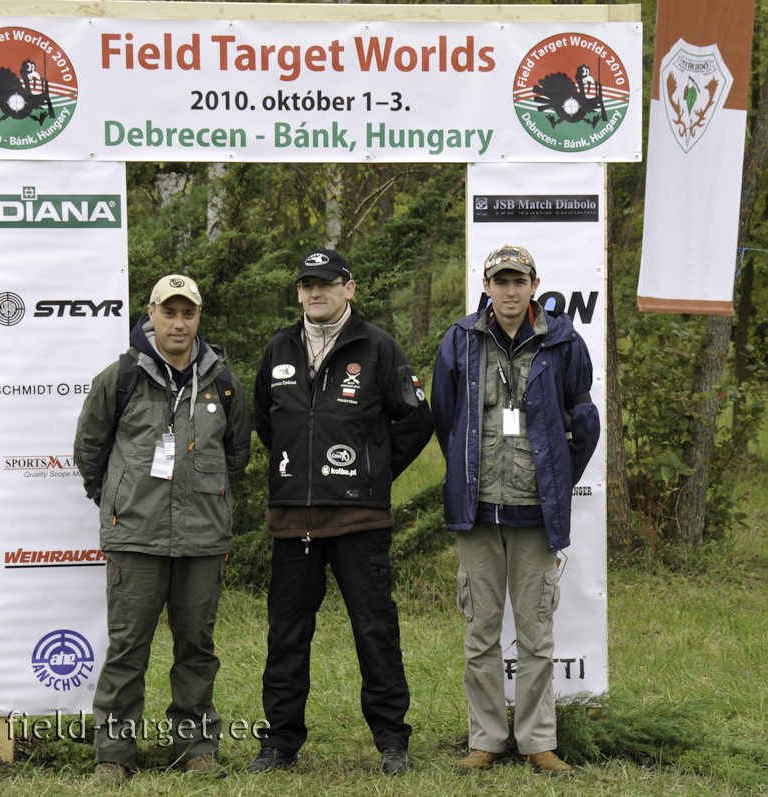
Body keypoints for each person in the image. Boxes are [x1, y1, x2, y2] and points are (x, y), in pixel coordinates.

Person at [249, 248, 434, 775]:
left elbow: (416, 420)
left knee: (375, 631)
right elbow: (269, 423)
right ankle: (280, 744)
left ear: (348, 288)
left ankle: (392, 742)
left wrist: (371, 475)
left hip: (359, 521)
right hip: (292, 522)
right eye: (307, 285)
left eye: (326, 283)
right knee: (286, 635)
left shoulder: (377, 348)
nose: (315, 293)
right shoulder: (279, 349)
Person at [74, 274, 251, 786]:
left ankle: (195, 747)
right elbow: (91, 452)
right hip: (136, 535)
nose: (178, 323)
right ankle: (113, 754)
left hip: (202, 536)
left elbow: (236, 453)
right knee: (128, 647)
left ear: (199, 318)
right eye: (168, 312)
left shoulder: (222, 380)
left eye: (188, 313)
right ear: (150, 313)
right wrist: (120, 501)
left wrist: (207, 495)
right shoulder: (121, 377)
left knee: (197, 646)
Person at [431, 245, 600, 777]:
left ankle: (537, 743)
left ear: (535, 286)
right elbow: (445, 417)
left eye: (518, 281)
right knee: (480, 632)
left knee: (536, 634)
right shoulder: (459, 340)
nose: (509, 290)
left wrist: (556, 481)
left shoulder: (563, 341)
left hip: (534, 513)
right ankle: (486, 739)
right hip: (478, 512)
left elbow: (584, 417)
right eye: (499, 281)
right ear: (485, 286)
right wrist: (465, 474)